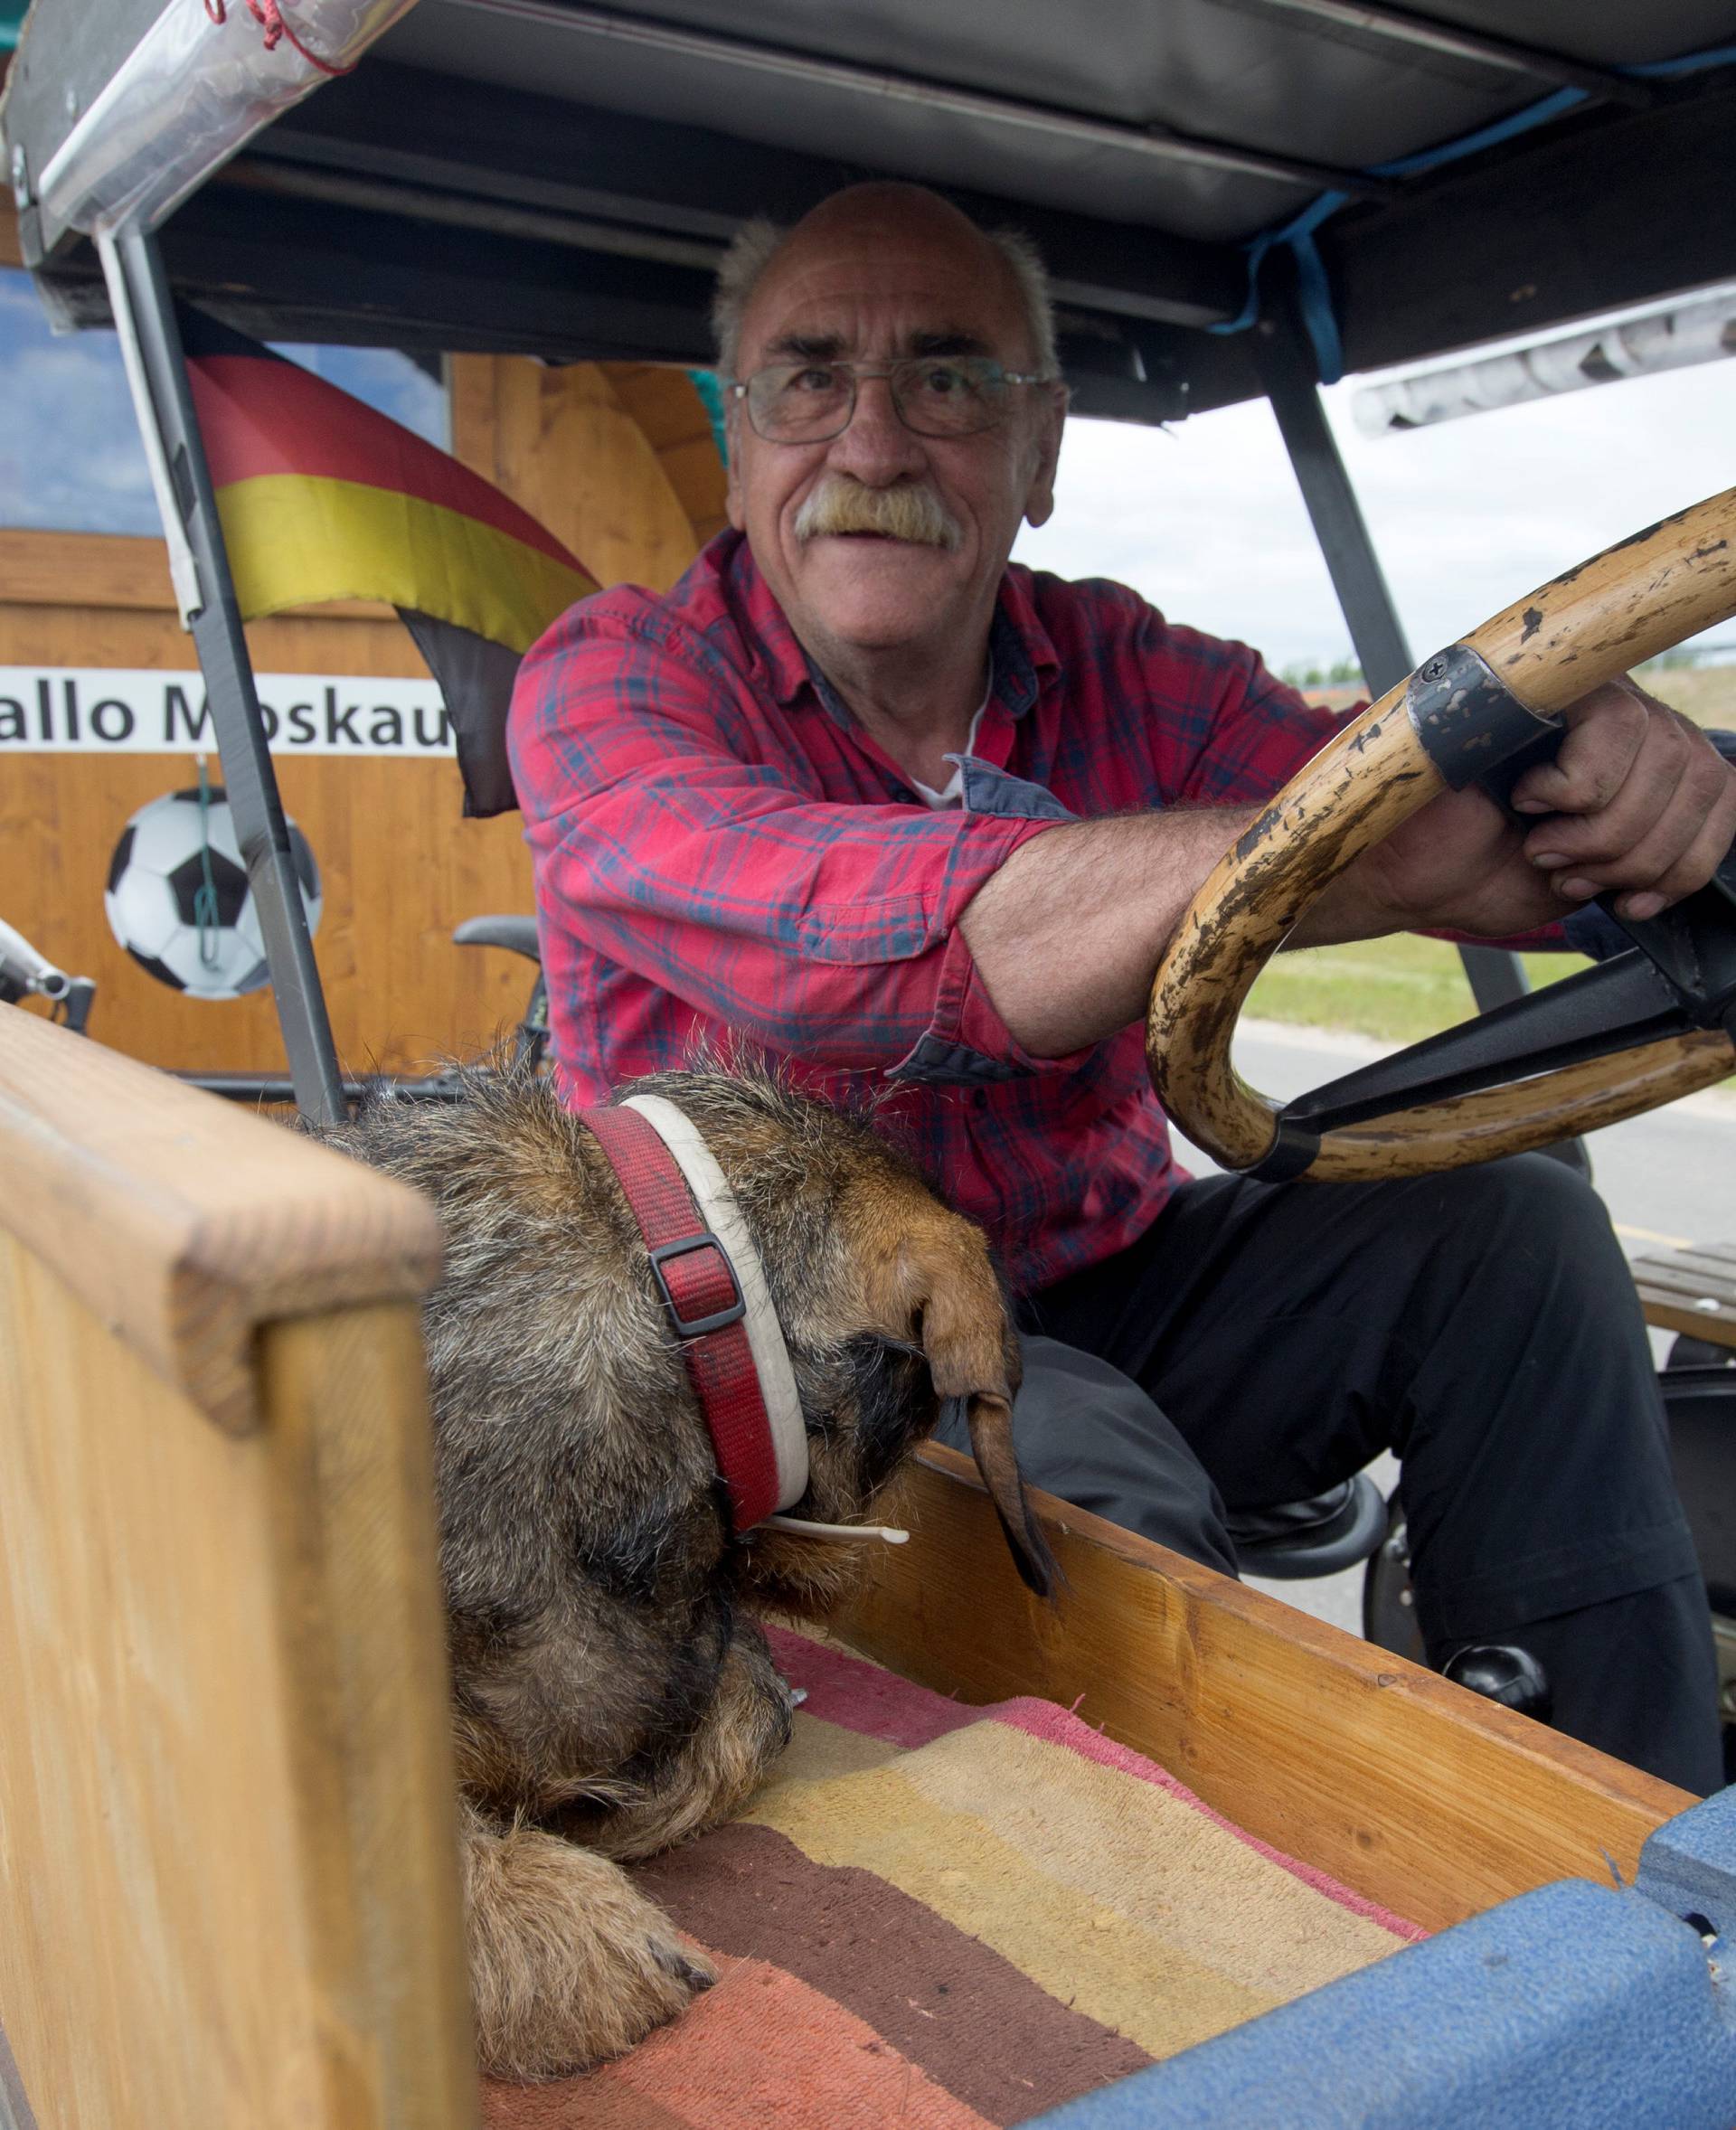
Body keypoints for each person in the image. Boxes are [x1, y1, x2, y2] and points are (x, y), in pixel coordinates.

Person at [509, 182, 1736, 1793]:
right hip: (772, 1368)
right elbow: (834, 953)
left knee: (1513, 1229)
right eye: (809, 378)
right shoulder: (618, 677)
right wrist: (1334, 851)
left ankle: (1646, 1856)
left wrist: (1653, 787)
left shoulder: (1125, 665)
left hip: (1112, 1285)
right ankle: (1256, 1990)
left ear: (1043, 453)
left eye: (948, 380)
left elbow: (1449, 819)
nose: (871, 444)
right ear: (738, 441)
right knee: (1088, 1486)